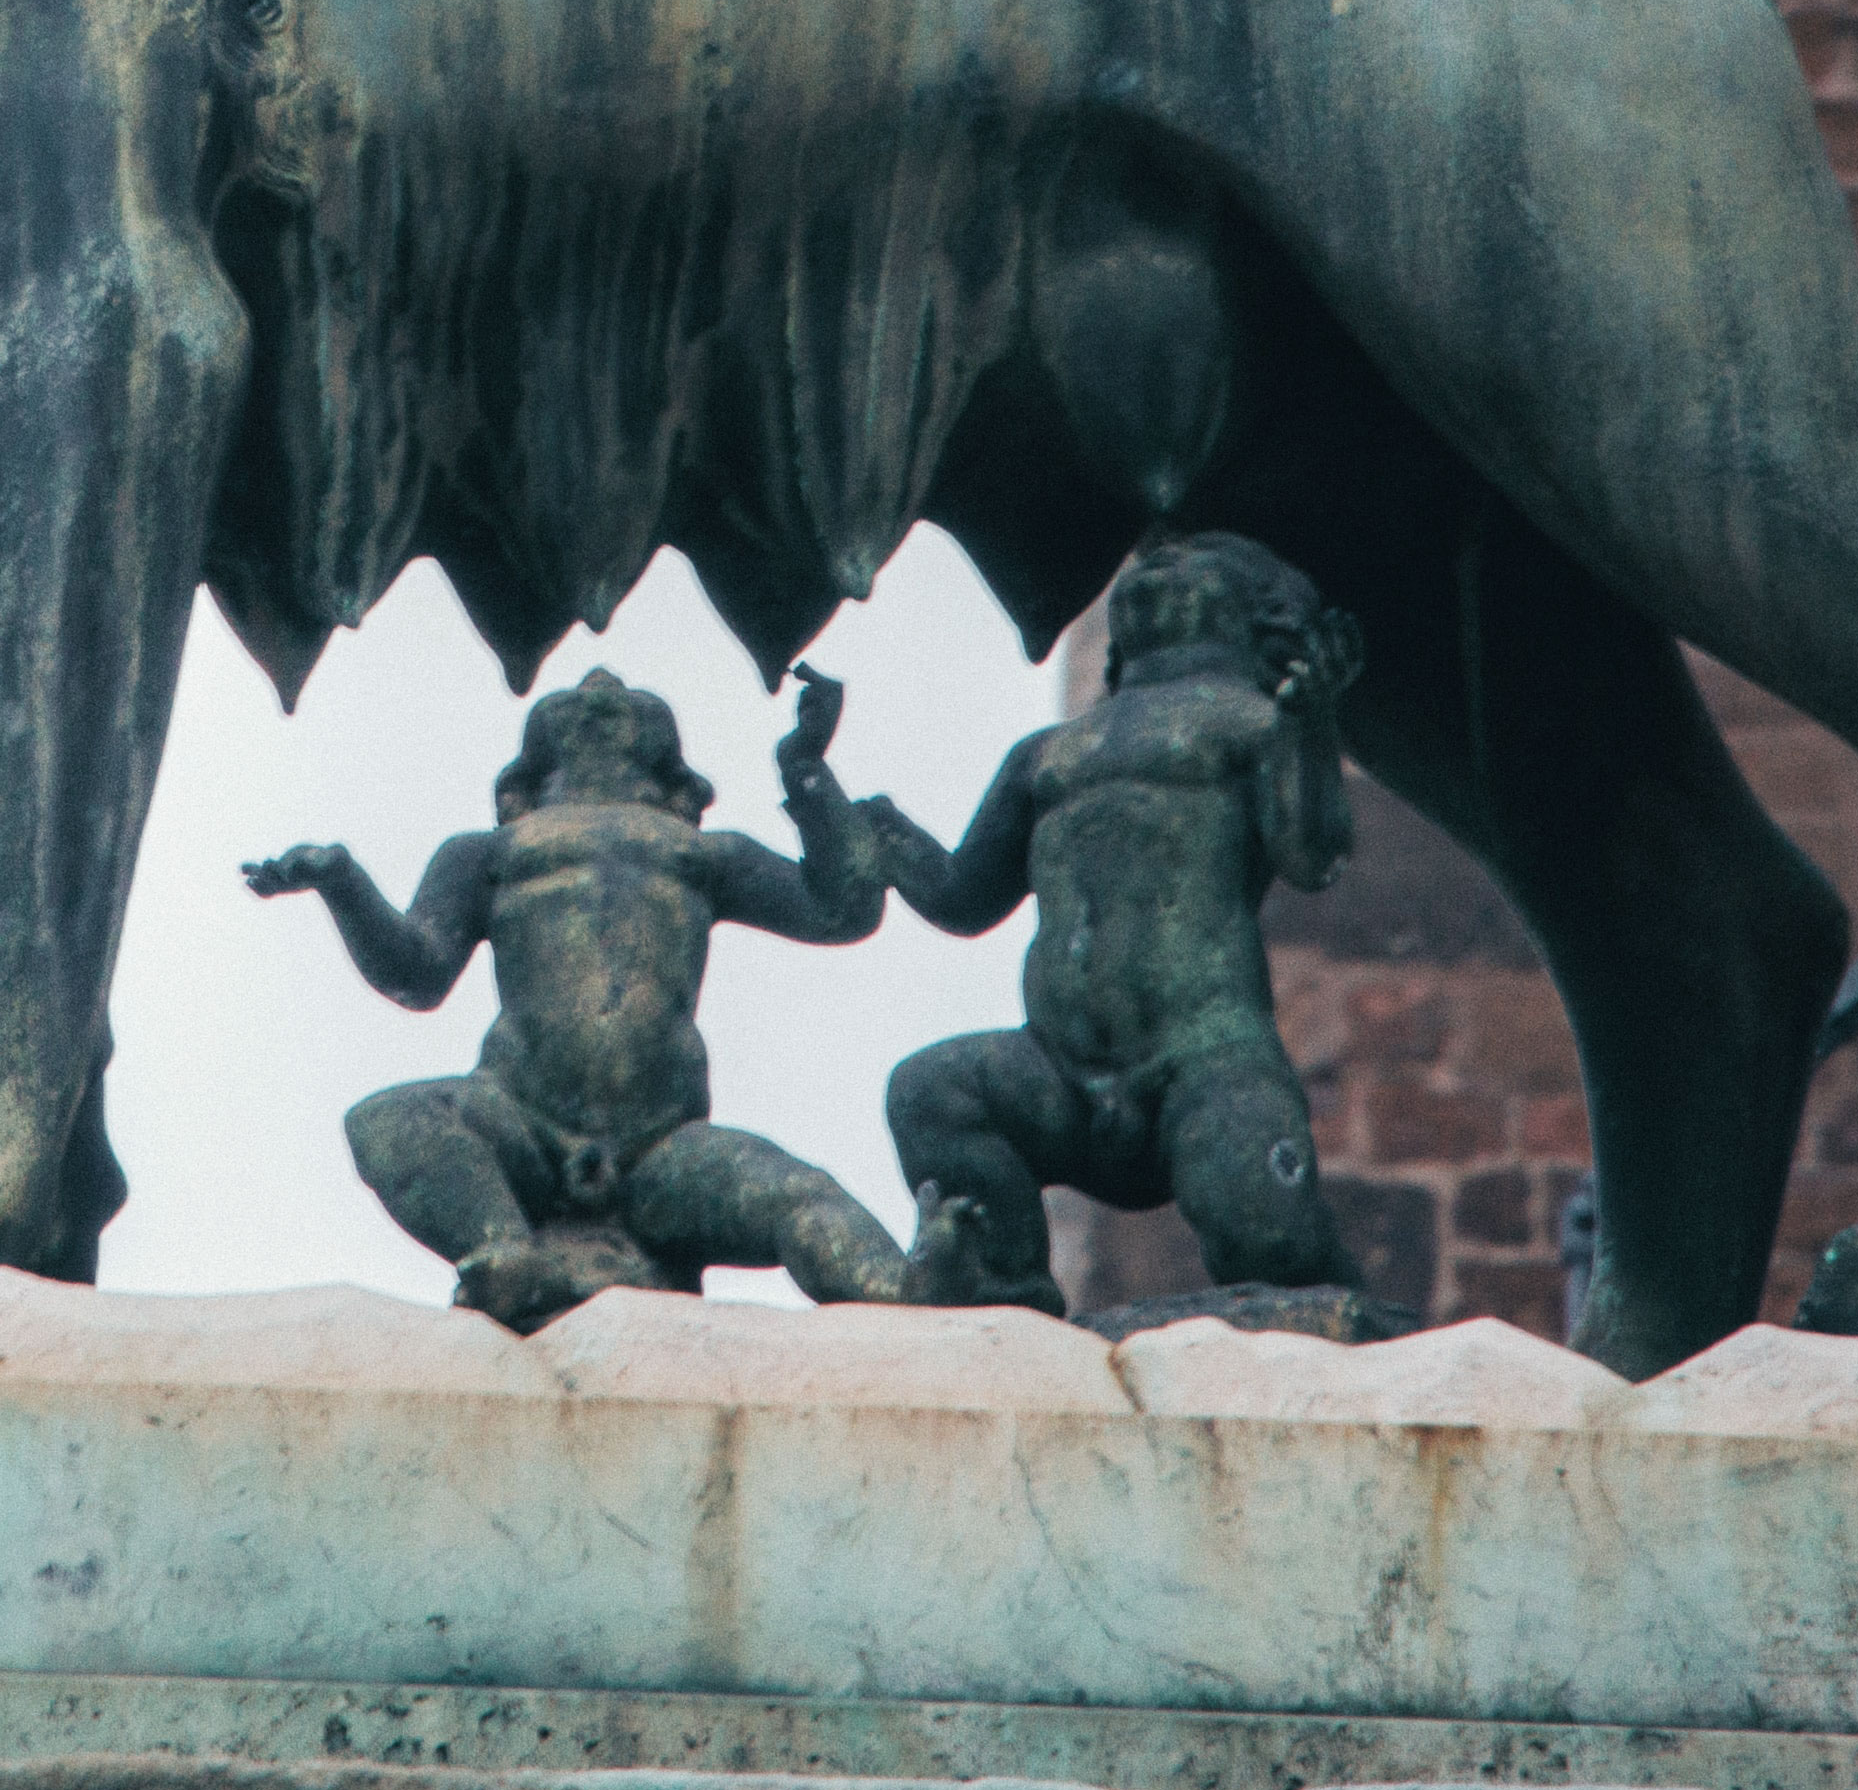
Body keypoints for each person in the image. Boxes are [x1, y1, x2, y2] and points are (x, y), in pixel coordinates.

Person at [247, 665, 979, 1328]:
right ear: (531, 768)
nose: (601, 684)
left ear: (670, 767)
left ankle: (899, 1282)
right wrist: (342, 883)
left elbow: (842, 909)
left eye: (624, 699)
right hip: (518, 1122)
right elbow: (416, 971)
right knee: (388, 1121)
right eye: (586, 696)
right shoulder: (489, 852)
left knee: (798, 1192)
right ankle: (503, 1250)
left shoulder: (702, 852)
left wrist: (806, 768)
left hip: (661, 1146)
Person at [866, 531, 1371, 1317]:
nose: (1163, 563)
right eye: (1154, 561)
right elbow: (966, 896)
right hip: (1057, 1074)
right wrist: (881, 835)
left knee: (1274, 1250)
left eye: (1195, 559)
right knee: (931, 1091)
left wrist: (1309, 729)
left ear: (1254, 612)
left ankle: (1338, 1292)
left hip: (1200, 1063)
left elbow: (1312, 855)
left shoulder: (1251, 725)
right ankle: (1007, 1286)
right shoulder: (1047, 754)